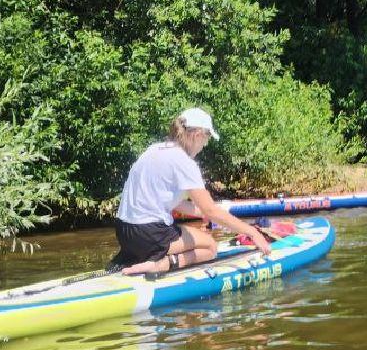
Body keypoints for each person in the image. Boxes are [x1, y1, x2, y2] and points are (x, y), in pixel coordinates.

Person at [112, 108, 272, 275]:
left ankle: (143, 257)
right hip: (148, 235)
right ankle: (161, 264)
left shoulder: (154, 149)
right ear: (197, 135)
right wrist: (253, 233)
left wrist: (201, 213)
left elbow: (176, 203)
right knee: (210, 246)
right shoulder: (184, 162)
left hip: (124, 233)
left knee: (189, 234)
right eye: (207, 138)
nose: (205, 145)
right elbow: (211, 210)